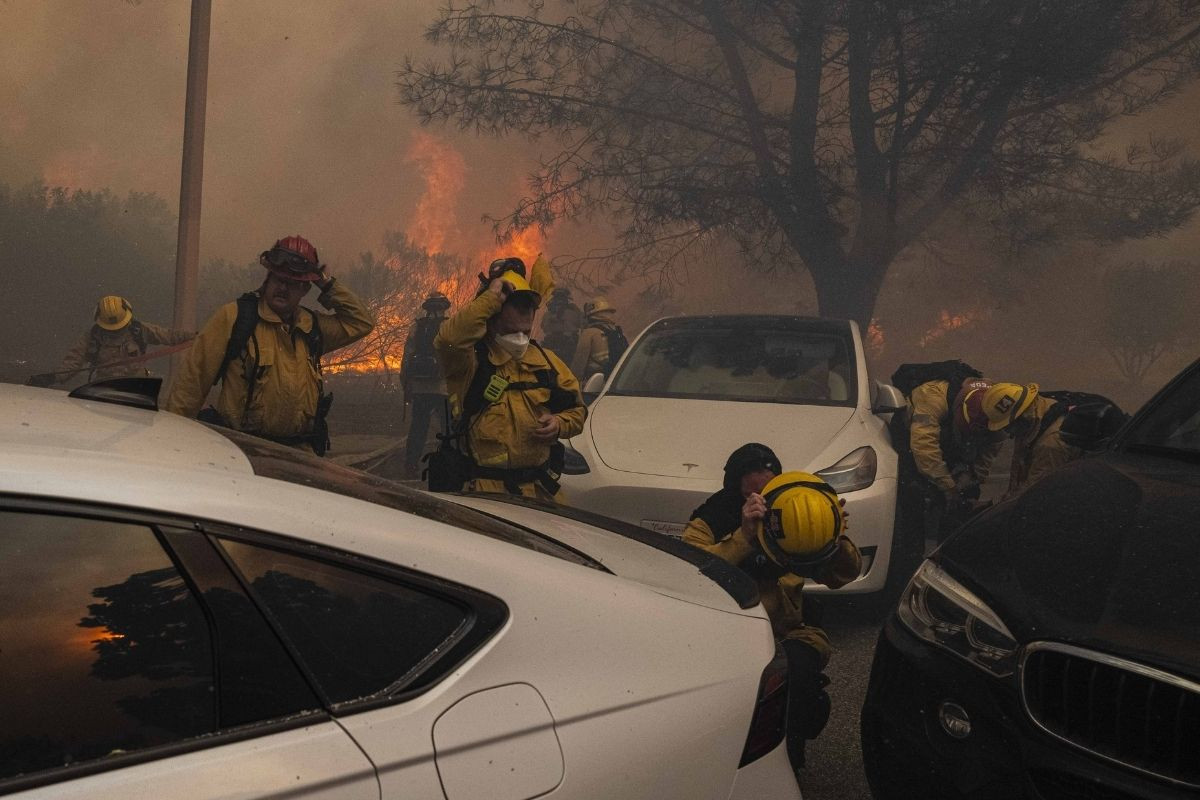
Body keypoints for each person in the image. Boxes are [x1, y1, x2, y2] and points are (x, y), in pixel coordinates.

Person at [682, 444, 861, 773]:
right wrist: (744, 537)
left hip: (789, 632)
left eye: (769, 490)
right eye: (753, 493)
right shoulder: (711, 518)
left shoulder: (788, 510)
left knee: (795, 688)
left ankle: (788, 769)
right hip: (725, 634)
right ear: (735, 487)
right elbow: (688, 575)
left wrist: (831, 538)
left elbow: (842, 576)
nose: (762, 503)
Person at [165, 235, 375, 455]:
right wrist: (171, 444)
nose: (282, 288)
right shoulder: (236, 318)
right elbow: (192, 383)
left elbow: (361, 322)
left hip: (300, 454)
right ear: (268, 278)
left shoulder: (311, 328)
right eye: (278, 279)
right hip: (242, 452)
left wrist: (326, 283)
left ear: (305, 288)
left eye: (293, 283)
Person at [431, 264, 586, 500]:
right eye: (517, 303)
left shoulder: (547, 361)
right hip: (485, 494)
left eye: (531, 305)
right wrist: (490, 298)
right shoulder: (470, 361)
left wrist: (559, 423)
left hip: (539, 492)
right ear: (496, 309)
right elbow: (447, 340)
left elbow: (577, 412)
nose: (527, 310)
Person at [891, 361, 1002, 543]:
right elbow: (924, 448)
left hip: (948, 439)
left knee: (968, 493)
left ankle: (952, 545)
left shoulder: (996, 405)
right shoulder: (931, 397)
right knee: (913, 495)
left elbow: (990, 449)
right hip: (910, 441)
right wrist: (948, 487)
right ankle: (910, 553)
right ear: (960, 410)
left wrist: (971, 477)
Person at [979, 382, 1085, 499]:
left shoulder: (1050, 444)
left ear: (1021, 418)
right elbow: (1019, 472)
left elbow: (1034, 494)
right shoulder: (1036, 414)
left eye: (1007, 427)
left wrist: (1002, 509)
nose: (1008, 433)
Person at [55, 295, 193, 383]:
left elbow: (168, 336)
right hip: (103, 388)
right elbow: (73, 361)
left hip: (137, 386)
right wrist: (55, 377)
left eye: (119, 327)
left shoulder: (139, 330)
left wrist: (195, 337)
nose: (116, 331)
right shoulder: (92, 337)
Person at [400, 291, 452, 476]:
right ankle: (450, 464)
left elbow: (406, 358)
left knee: (418, 427)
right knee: (448, 430)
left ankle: (411, 464)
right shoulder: (450, 327)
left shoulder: (416, 327)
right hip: (443, 389)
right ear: (444, 308)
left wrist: (406, 383)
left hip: (420, 387)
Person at [570, 297, 627, 381]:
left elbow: (578, 365)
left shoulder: (589, 333)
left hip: (595, 382)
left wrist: (571, 385)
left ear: (590, 316)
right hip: (617, 380)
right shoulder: (617, 332)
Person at [541, 287, 582, 358]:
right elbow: (582, 324)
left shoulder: (547, 314)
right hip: (568, 346)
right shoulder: (574, 312)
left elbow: (543, 327)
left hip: (550, 345)